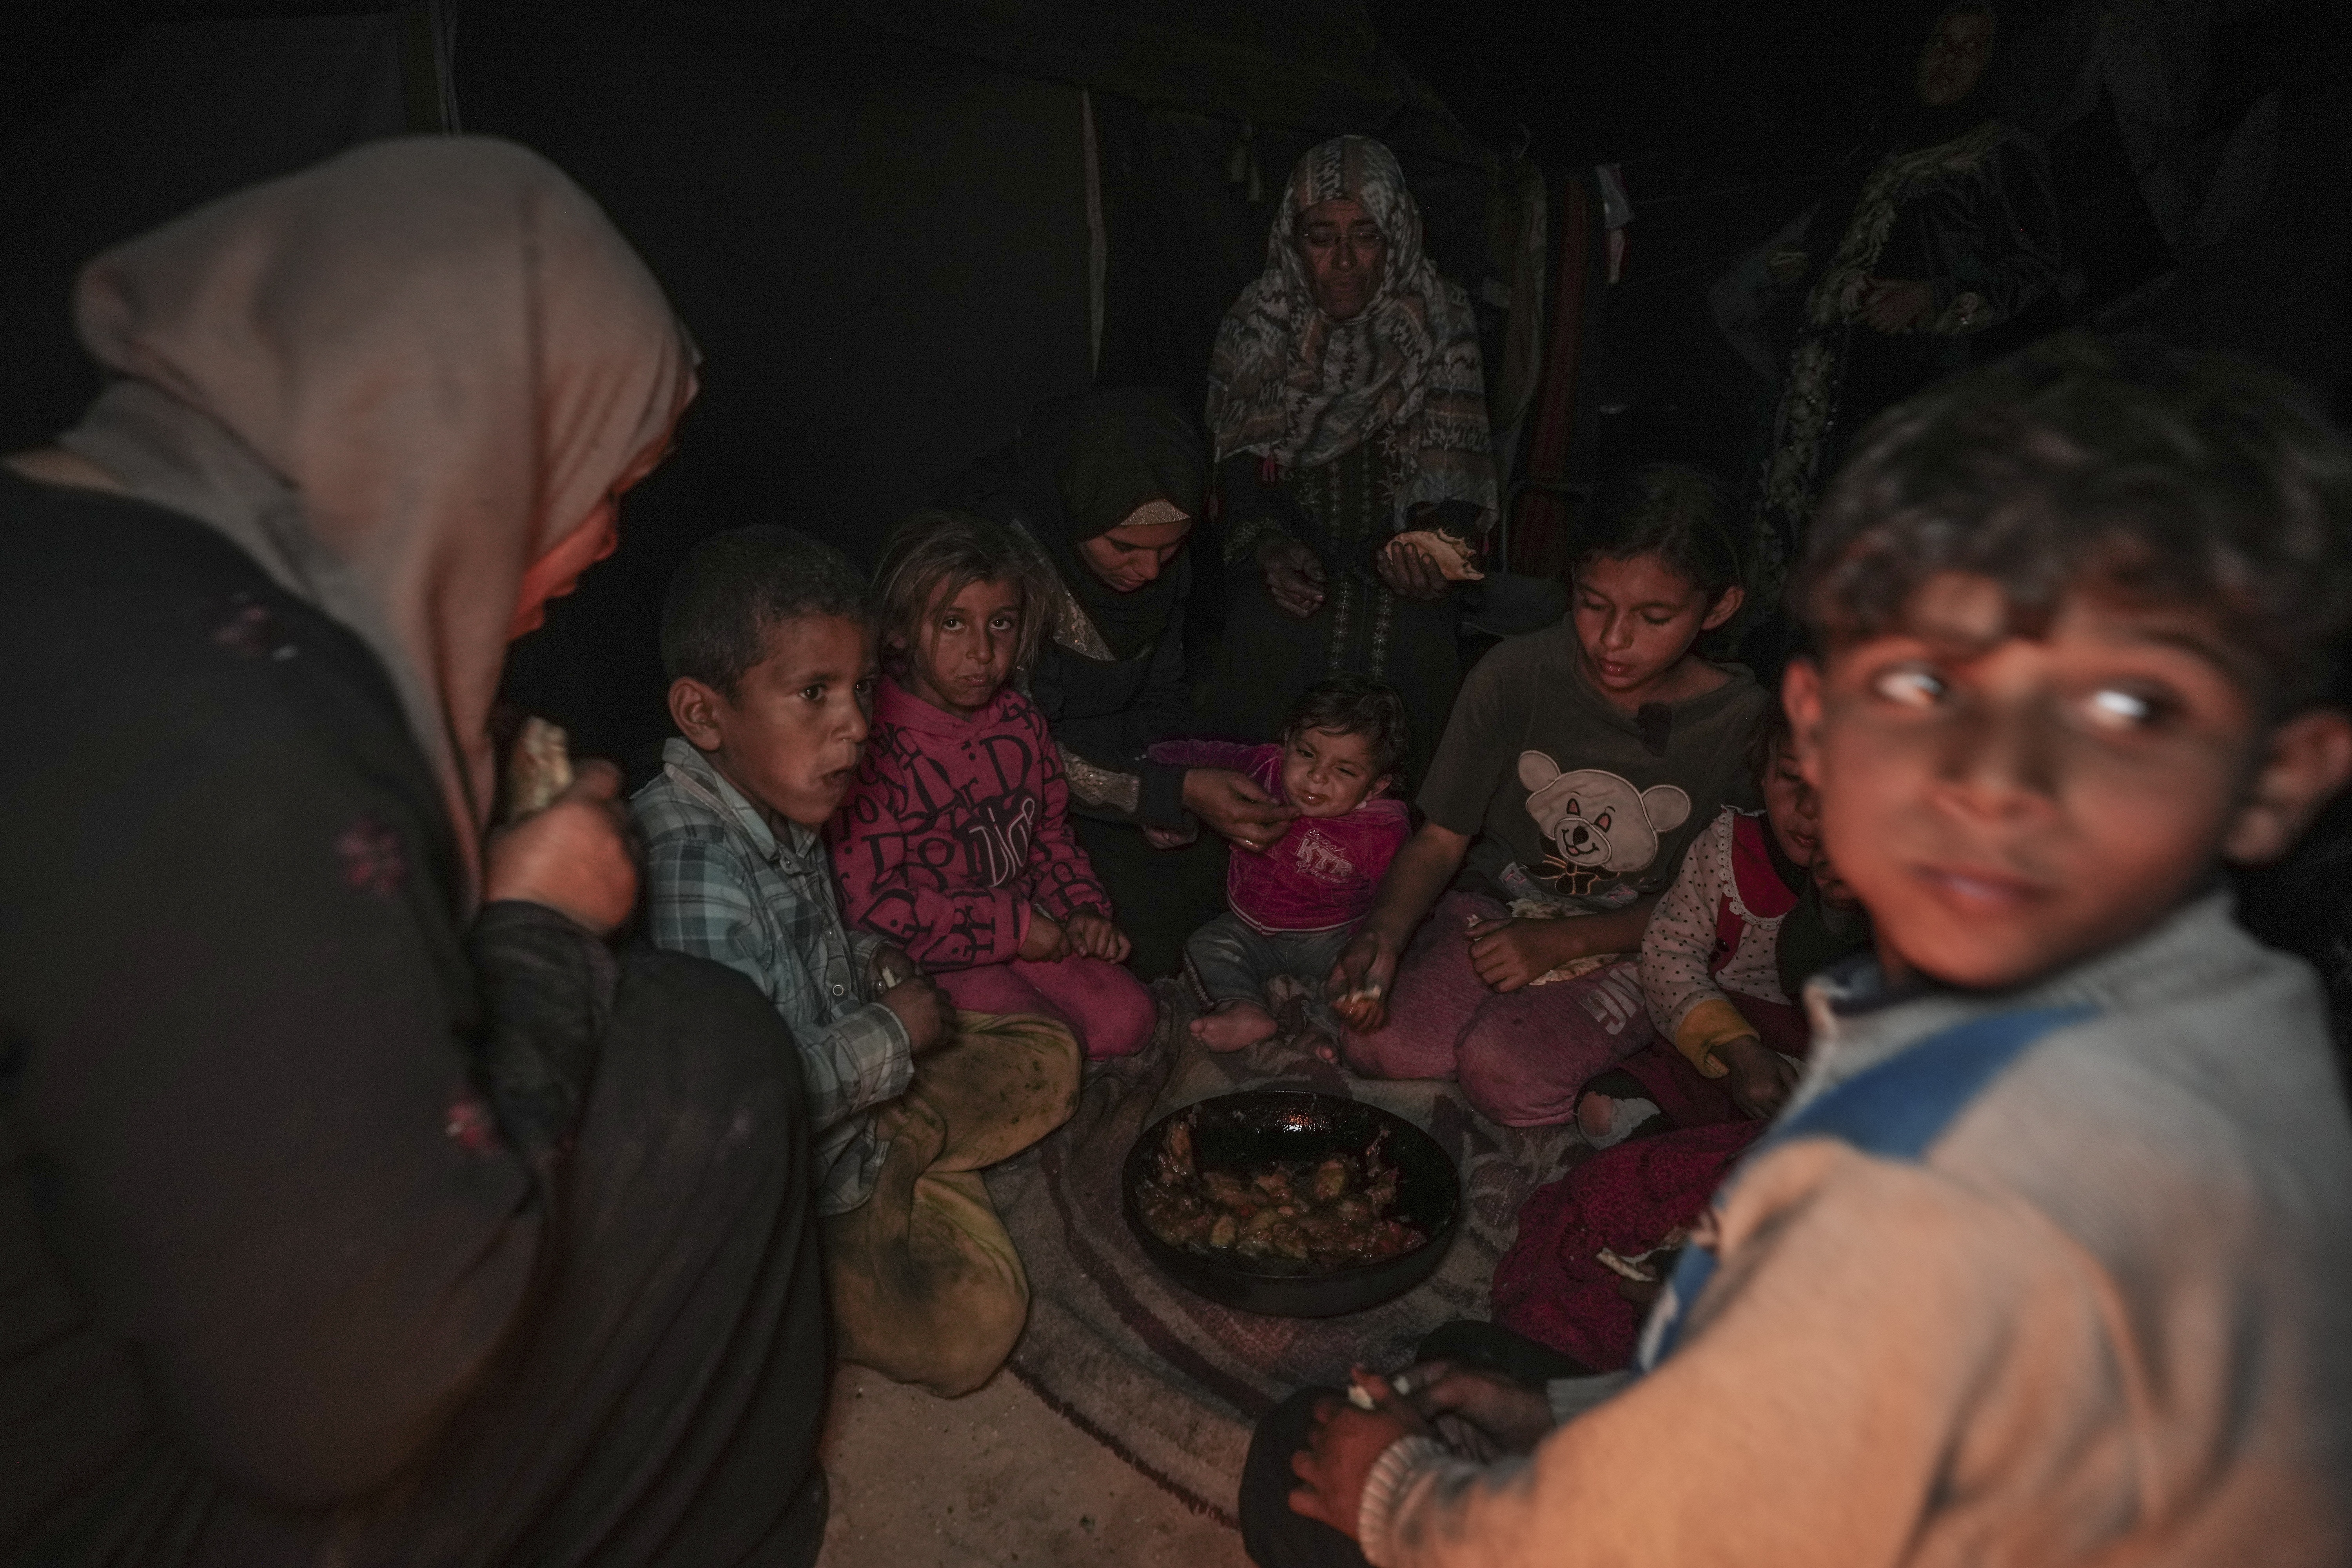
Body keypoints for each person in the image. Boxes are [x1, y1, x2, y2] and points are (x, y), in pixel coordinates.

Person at [1252, 335, 2352, 1567]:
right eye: (1930, 688)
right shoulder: (2202, 1017)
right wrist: (1558, 1412)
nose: (1994, 783)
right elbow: (1755, 1414)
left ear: (2282, 773)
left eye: (2125, 709)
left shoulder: (1998, 1160)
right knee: (1477, 1375)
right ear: (1817, 725)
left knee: (1307, 1464)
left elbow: (1684, 1509)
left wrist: (1396, 1502)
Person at [0, 138, 841, 1565]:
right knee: (709, 1061)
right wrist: (542, 926)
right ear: (462, 442)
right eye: (597, 480)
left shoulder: (73, 543)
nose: (604, 543)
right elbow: (346, 1392)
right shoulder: (232, 720)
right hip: (103, 1499)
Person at [633, 527, 1080, 1399]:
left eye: (863, 688)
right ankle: (825, 1259)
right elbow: (748, 1112)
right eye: (814, 692)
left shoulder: (780, 794)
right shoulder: (692, 869)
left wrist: (875, 962)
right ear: (703, 713)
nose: (859, 724)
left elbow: (828, 937)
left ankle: (905, 1145)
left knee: (1051, 1051)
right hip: (784, 1176)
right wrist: (891, 1032)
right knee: (971, 1330)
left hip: (858, 1103)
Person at [1326, 465, 1770, 1127]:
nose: (1613, 641)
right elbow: (1443, 839)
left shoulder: (1742, 725)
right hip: (1499, 908)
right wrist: (1384, 938)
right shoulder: (1517, 672)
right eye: (1593, 603)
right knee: (1375, 1041)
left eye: (1654, 617)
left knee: (1505, 1074)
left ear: (1720, 607)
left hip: (1636, 939)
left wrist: (1567, 943)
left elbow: (1712, 909)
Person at [943, 388, 1297, 978]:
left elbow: (1162, 696)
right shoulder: (999, 572)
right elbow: (1006, 750)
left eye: (1173, 546)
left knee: (1234, 882)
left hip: (1119, 772)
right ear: (1076, 509)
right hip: (1007, 793)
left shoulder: (1158, 568)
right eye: (1123, 546)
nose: (1149, 570)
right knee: (1124, 932)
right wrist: (1167, 792)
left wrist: (1158, 785)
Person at [1204, 134, 1499, 785]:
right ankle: (1253, 819)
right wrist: (1268, 550)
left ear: (1395, 236)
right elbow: (1238, 478)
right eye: (1320, 236)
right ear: (1292, 238)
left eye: (1365, 235)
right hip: (1294, 550)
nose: (1341, 261)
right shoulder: (1259, 321)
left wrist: (1428, 551)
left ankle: (1400, 842)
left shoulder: (1439, 317)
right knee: (1266, 625)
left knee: (1418, 638)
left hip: (1390, 557)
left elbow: (1456, 481)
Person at [1749, 0, 2060, 599]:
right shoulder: (1882, 146)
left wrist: (1933, 298)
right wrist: (1809, 265)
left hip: (1917, 390)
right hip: (1823, 374)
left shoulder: (2004, 154)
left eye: (1972, 49)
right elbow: (1851, 243)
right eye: (1943, 42)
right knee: (1795, 526)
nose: (1951, 60)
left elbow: (2036, 266)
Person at [829, 508, 1156, 1060]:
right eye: (953, 623)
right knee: (1045, 1049)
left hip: (1027, 928)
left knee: (1131, 1020)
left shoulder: (1019, 724)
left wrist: (1082, 911)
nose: (982, 652)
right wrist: (1013, 928)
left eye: (1000, 624)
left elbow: (1049, 836)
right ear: (900, 631)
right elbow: (871, 908)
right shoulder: (871, 743)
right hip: (931, 958)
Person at [1572, 704, 1870, 1148]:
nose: (1809, 810)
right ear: (1764, 774)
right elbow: (1668, 953)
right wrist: (1740, 1050)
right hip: (1717, 1045)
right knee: (1602, 1110)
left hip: (1820, 1069)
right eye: (1792, 778)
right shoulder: (1727, 847)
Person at [1148, 677, 1414, 1056]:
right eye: (1307, 754)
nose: (1318, 776)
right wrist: (1154, 779)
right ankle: (1244, 1007)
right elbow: (1195, 757)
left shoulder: (1382, 829)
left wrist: (1362, 953)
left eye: (1345, 771)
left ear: (1376, 787)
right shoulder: (1263, 767)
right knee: (1205, 945)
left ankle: (1321, 1032)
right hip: (1246, 926)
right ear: (1287, 740)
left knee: (1357, 981)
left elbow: (1394, 897)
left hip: (1329, 935)